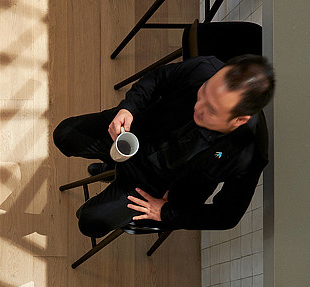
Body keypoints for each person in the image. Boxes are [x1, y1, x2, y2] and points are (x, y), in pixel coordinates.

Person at [53, 54, 274, 238]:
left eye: (212, 110)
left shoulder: (250, 153)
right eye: (204, 91)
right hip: (138, 132)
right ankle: (112, 165)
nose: (199, 106)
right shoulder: (205, 68)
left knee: (90, 223)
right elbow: (158, 78)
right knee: (64, 136)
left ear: (239, 120)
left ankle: (111, 175)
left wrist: (167, 213)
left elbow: (227, 216)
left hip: (155, 188)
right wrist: (128, 108)